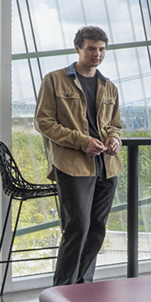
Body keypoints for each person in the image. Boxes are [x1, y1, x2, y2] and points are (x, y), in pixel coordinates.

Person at [35, 26, 122, 286]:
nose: (97, 54)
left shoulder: (110, 87)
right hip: (72, 165)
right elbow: (43, 121)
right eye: (91, 49)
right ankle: (62, 291)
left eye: (102, 50)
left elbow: (116, 124)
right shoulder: (54, 80)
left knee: (97, 229)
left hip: (107, 166)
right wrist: (82, 142)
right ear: (78, 48)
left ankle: (83, 287)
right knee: (77, 228)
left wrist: (115, 139)